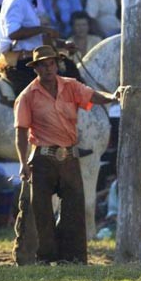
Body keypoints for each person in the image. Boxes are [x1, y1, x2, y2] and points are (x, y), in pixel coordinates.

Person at [13, 45, 120, 264]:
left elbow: (92, 95)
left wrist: (113, 96)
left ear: (56, 64)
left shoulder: (70, 86)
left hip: (69, 156)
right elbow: (21, 132)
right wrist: (23, 163)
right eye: (42, 65)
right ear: (36, 69)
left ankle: (72, 257)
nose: (48, 68)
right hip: (42, 157)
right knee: (42, 211)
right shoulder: (27, 96)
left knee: (74, 207)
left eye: (51, 63)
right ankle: (45, 257)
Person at [0, 0, 59, 96]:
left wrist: (61, 44)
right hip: (19, 63)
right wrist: (42, 29)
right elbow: (13, 33)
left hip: (33, 59)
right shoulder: (16, 0)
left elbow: (35, 35)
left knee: (69, 71)